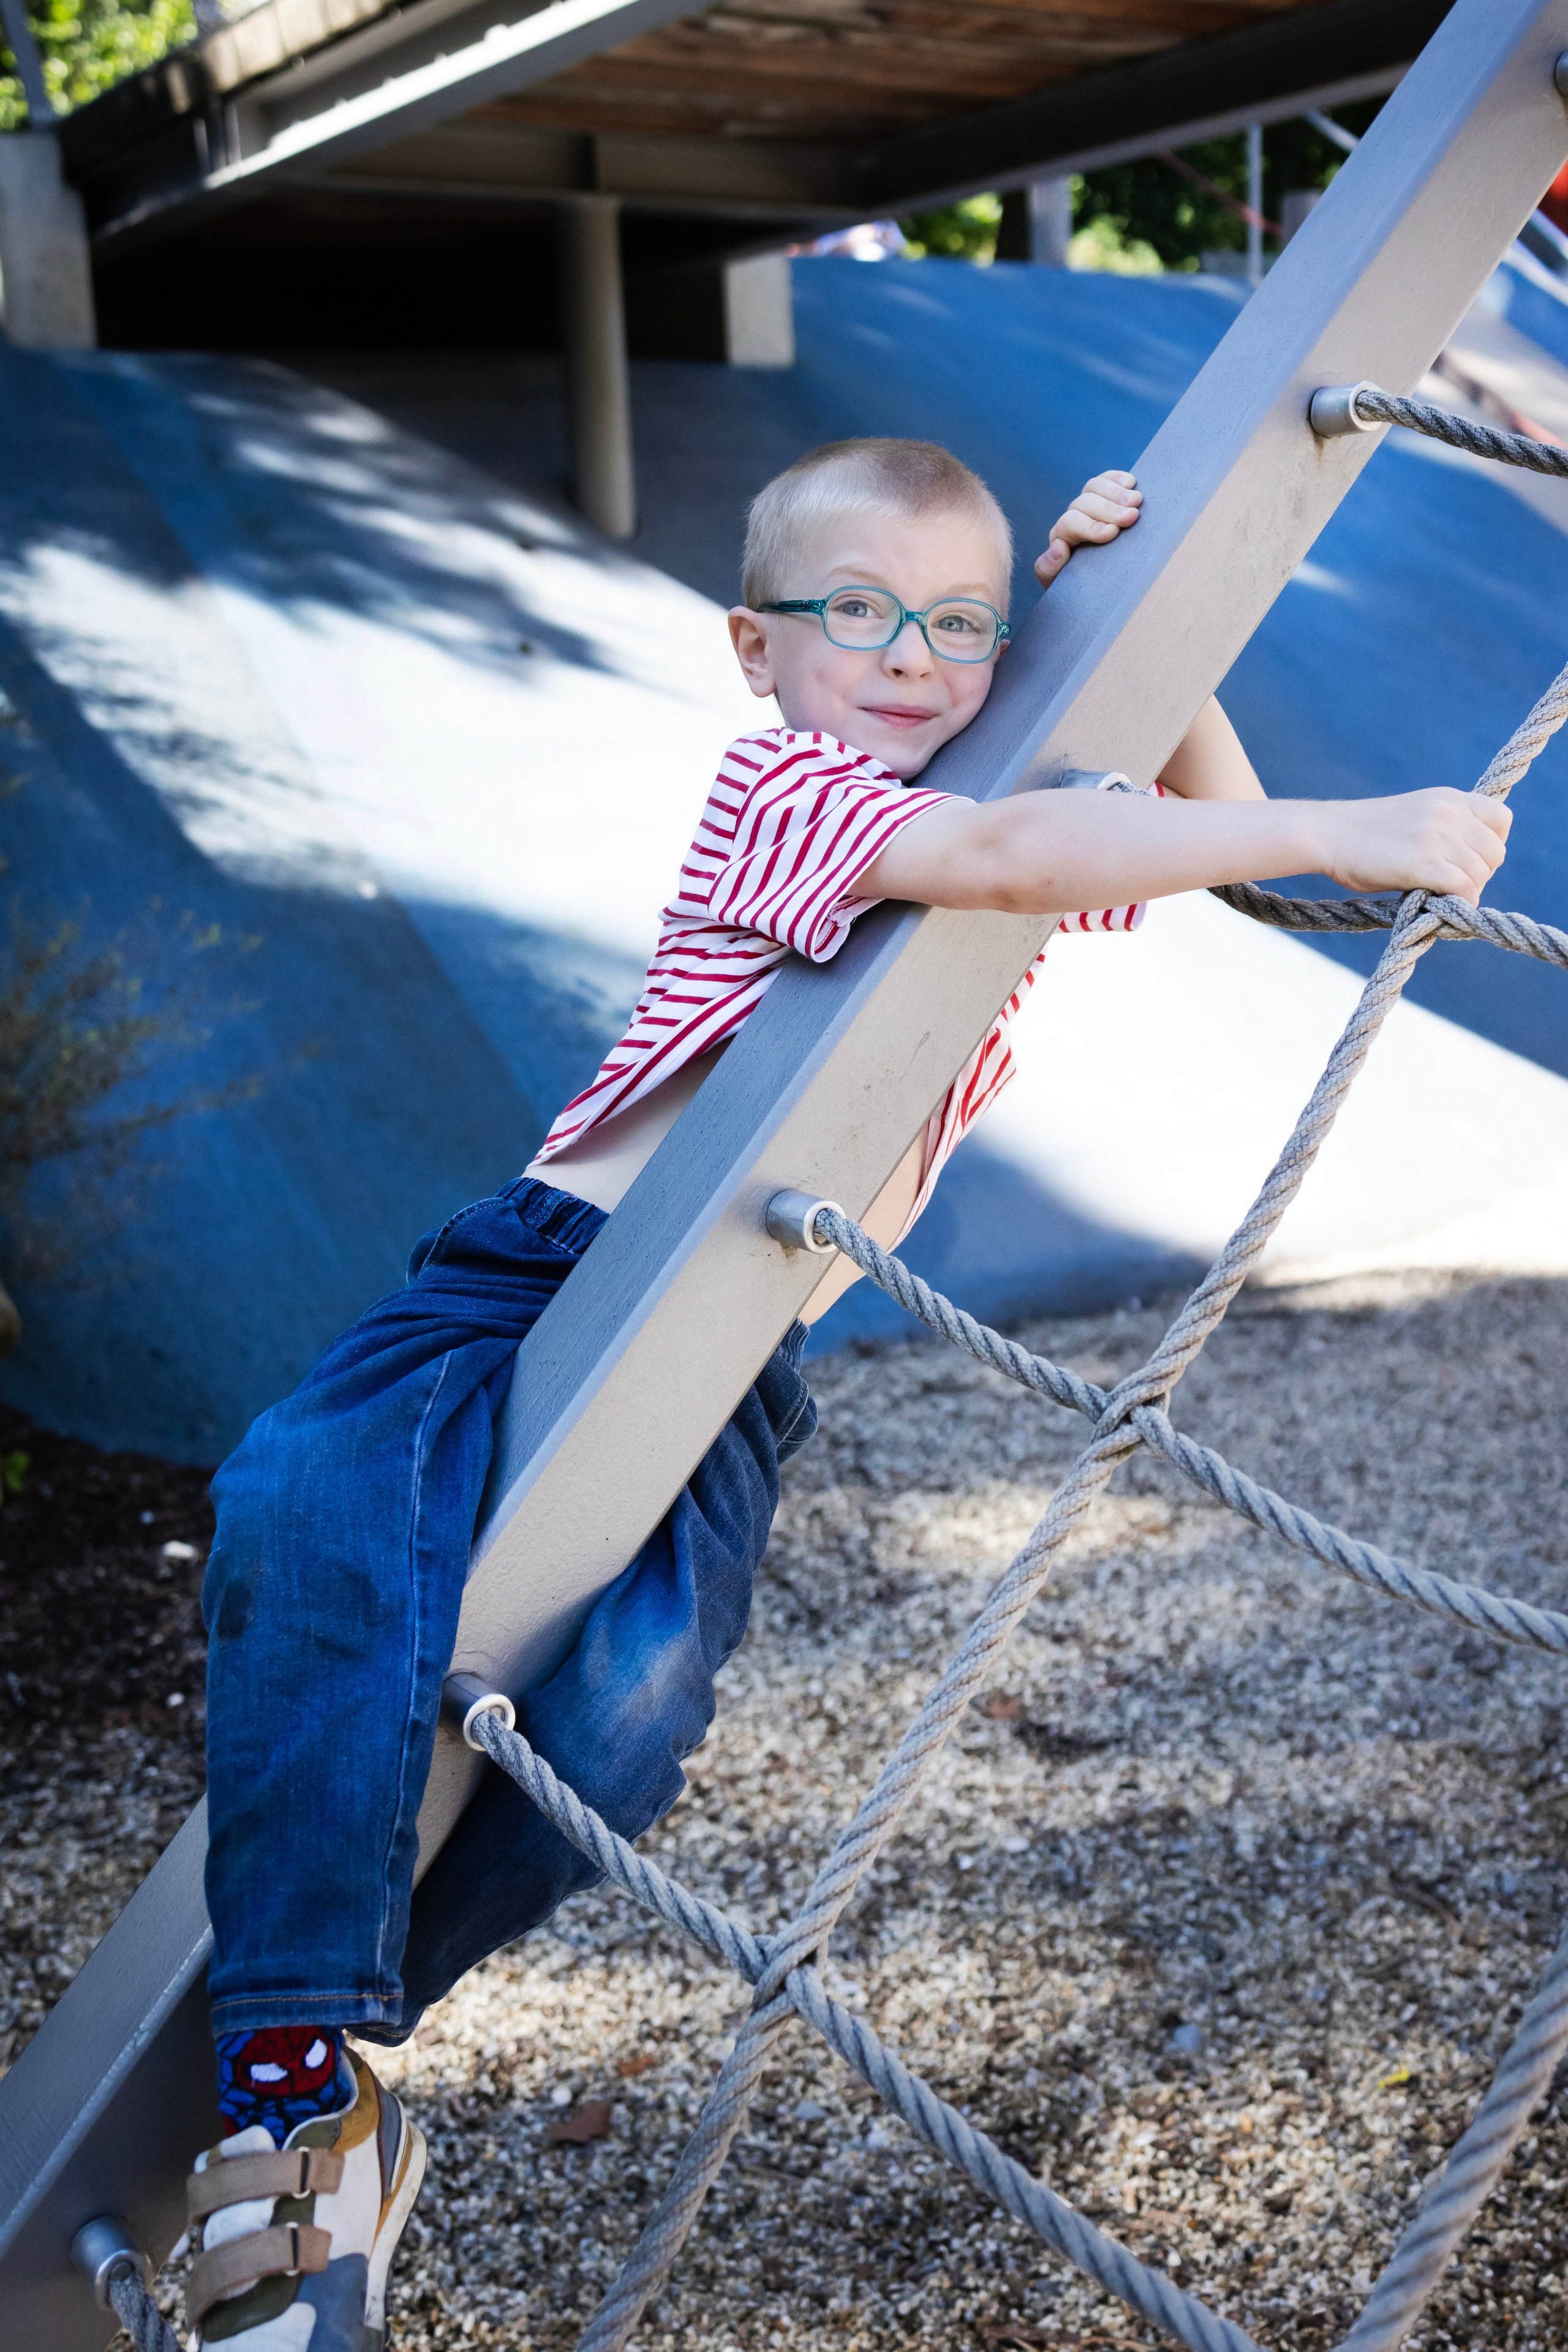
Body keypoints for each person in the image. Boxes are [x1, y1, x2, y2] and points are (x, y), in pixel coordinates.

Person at [187, 439, 1508, 2347]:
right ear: (757, 647)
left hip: (733, 1358)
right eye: (863, 611)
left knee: (625, 1726)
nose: (913, 655)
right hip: (543, 1274)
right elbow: (1028, 854)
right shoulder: (789, 792)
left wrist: (1117, 630)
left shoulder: (1013, 798)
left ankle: (346, 2049)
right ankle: (291, 2072)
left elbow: (1194, 832)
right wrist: (1346, 823)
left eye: (960, 627)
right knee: (312, 1507)